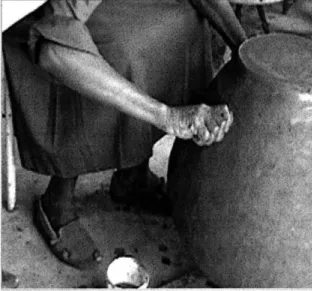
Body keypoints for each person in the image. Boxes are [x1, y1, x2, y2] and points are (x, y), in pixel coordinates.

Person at [2, 0, 247, 270]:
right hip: (33, 15)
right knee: (117, 53)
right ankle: (58, 197)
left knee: (183, 23)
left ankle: (132, 172)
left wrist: (243, 48)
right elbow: (54, 51)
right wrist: (167, 116)